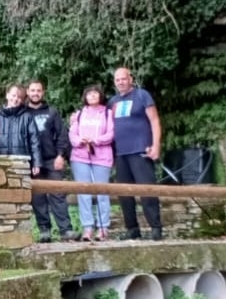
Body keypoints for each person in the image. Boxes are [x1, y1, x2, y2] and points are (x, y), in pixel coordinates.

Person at [109, 67, 164, 240]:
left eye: (123, 79)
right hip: (120, 153)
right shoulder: (113, 102)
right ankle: (132, 229)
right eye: (117, 80)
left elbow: (154, 120)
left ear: (130, 79)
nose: (120, 82)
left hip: (141, 150)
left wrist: (156, 145)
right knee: (124, 193)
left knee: (147, 189)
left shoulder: (142, 95)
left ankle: (155, 227)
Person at [25, 81, 75, 242]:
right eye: (33, 90)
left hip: (52, 159)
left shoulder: (52, 111)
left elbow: (62, 135)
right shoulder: (23, 113)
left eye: (38, 90)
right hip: (32, 162)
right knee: (38, 197)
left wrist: (61, 155)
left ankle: (66, 230)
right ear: (27, 92)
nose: (35, 93)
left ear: (43, 92)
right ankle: (44, 231)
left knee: (58, 194)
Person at [69, 85, 115, 241]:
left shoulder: (107, 113)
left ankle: (103, 228)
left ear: (100, 96)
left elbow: (111, 134)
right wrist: (80, 140)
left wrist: (95, 140)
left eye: (95, 93)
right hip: (80, 156)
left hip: (102, 156)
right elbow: (72, 134)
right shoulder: (80, 114)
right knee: (84, 193)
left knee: (102, 192)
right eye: (89, 93)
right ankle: (87, 228)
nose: (92, 96)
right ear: (85, 97)